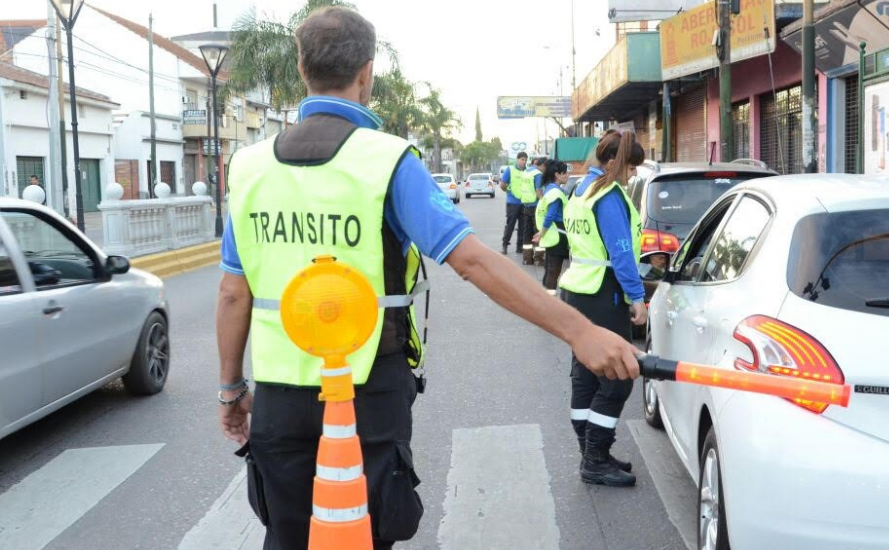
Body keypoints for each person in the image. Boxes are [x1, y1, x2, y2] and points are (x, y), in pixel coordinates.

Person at [214, 8, 640, 550]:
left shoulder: (250, 167)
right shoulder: (388, 161)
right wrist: (578, 332)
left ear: (301, 69)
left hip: (279, 395)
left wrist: (231, 389)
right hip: (366, 390)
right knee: (366, 532)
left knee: (289, 534)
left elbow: (233, 292)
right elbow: (473, 261)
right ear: (367, 72)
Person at [559, 130, 647, 488]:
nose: (633, 175)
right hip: (603, 293)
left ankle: (591, 454)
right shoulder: (608, 196)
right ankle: (594, 459)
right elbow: (622, 252)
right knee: (616, 378)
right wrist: (637, 297)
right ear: (613, 163)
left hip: (578, 291)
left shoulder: (579, 191)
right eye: (629, 167)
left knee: (586, 374)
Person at [532, 159, 570, 294]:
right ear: (557, 175)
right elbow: (550, 216)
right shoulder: (556, 193)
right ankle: (549, 301)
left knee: (549, 268)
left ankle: (545, 298)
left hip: (551, 234)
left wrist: (542, 233)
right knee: (554, 270)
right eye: (564, 173)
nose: (567, 175)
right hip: (558, 234)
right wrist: (541, 233)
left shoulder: (548, 189)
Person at [499, 152, 542, 254]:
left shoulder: (527, 171)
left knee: (523, 226)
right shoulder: (510, 170)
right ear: (517, 159)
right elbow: (502, 184)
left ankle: (520, 247)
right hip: (513, 202)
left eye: (525, 160)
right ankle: (505, 245)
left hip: (524, 202)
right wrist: (509, 191)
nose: (524, 162)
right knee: (510, 225)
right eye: (522, 160)